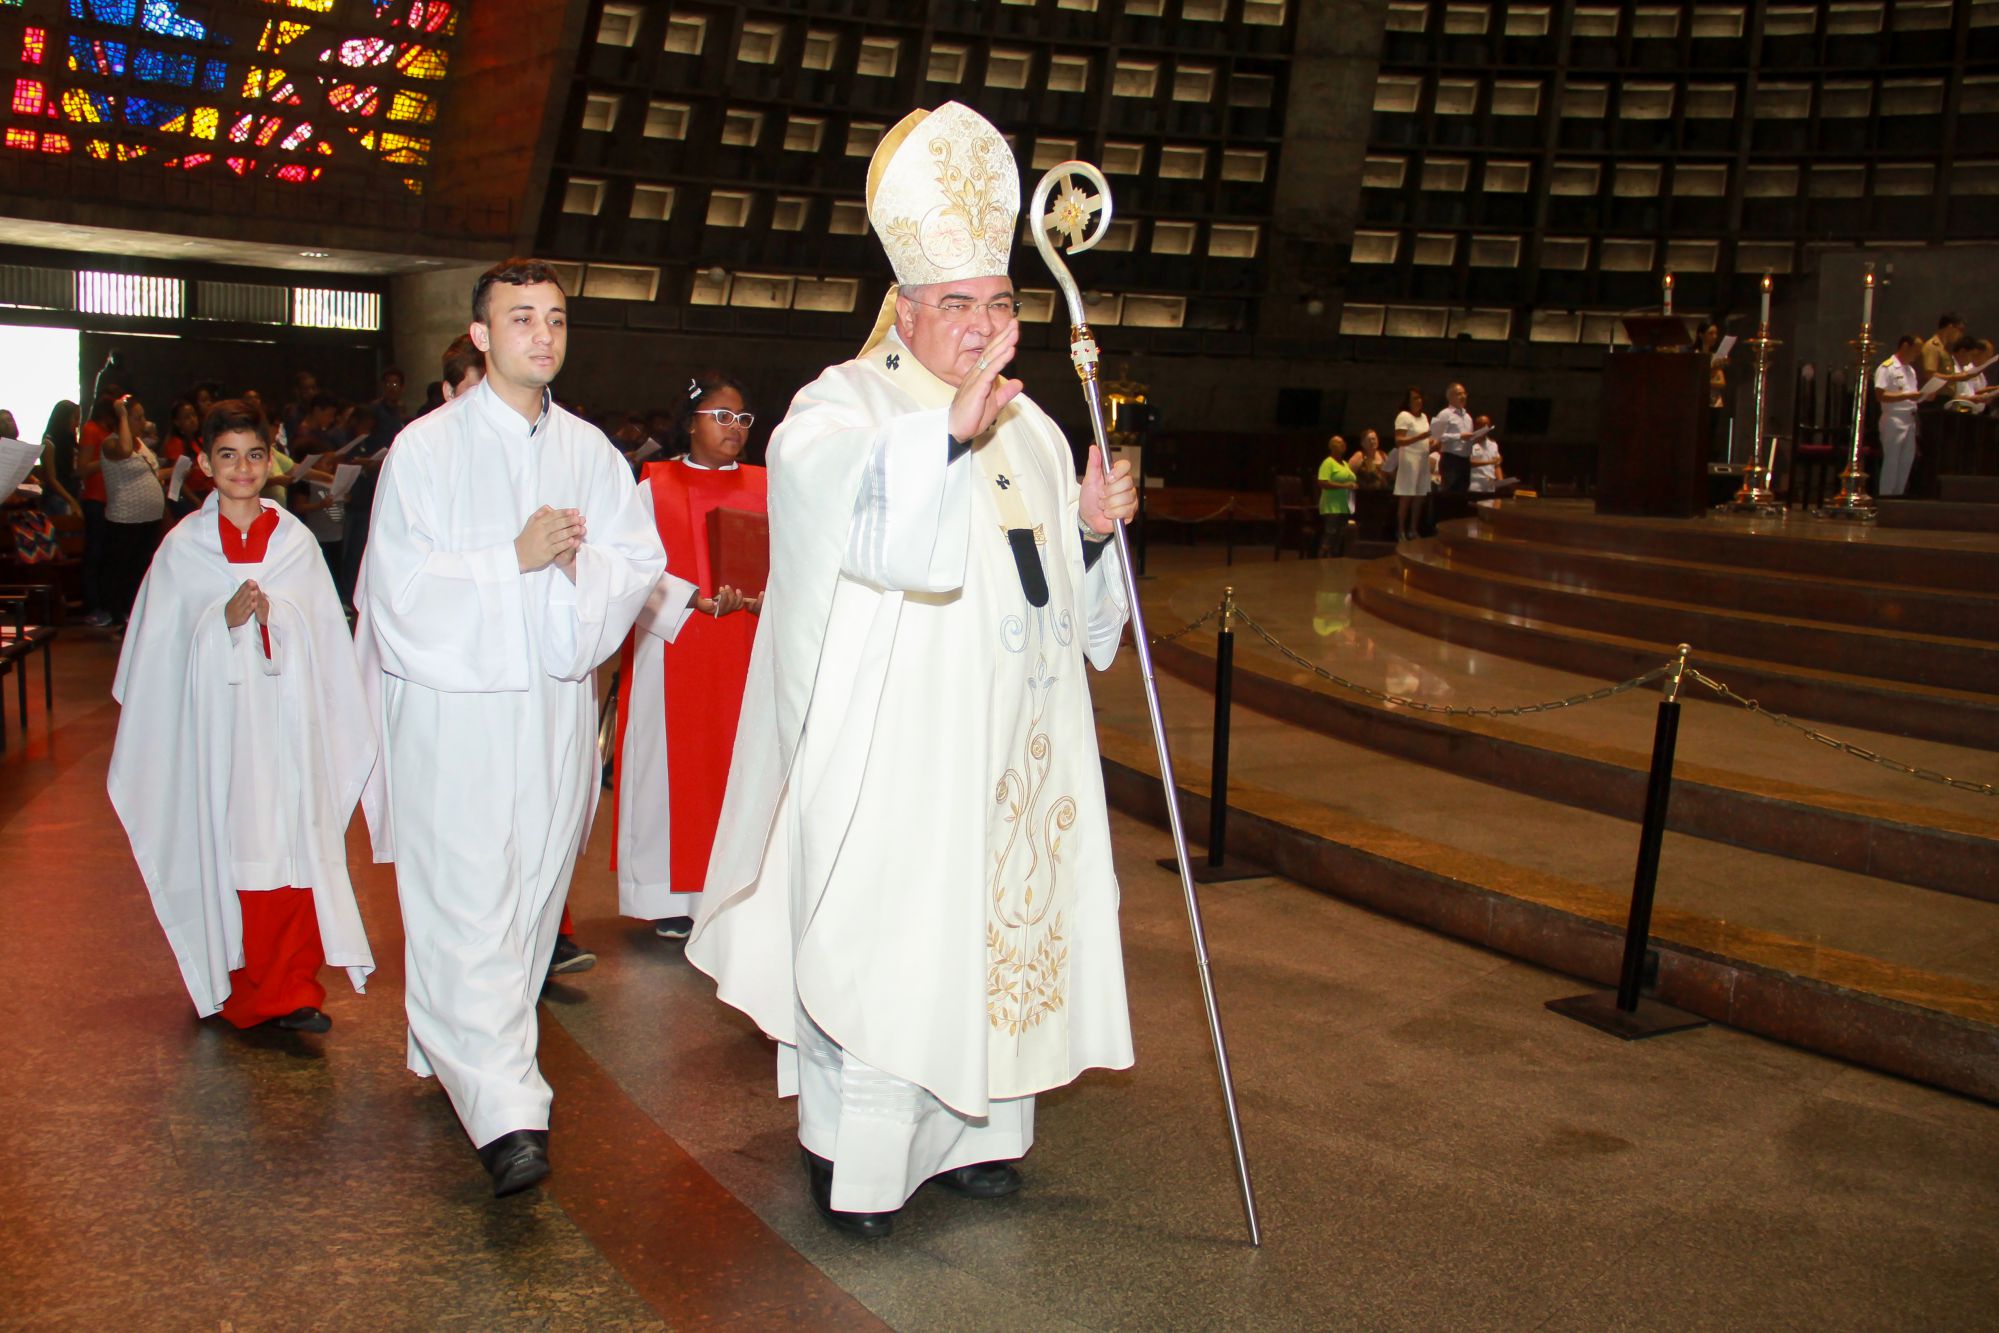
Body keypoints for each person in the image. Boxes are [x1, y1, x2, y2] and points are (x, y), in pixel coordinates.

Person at [685, 101, 1137, 1240]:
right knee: (899, 936)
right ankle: (867, 1156)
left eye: (998, 303)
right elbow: (839, 505)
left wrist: (1088, 529)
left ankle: (986, 1134)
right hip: (904, 755)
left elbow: (1069, 611)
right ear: (902, 306)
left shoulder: (1033, 428)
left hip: (1013, 750)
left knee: (993, 926)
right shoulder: (843, 407)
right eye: (956, 306)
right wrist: (942, 437)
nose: (981, 327)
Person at [354, 257, 665, 1197]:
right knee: (464, 900)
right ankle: (508, 1112)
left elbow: (634, 559)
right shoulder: (426, 449)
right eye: (520, 318)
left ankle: (465, 1054)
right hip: (456, 715)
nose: (542, 334)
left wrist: (576, 575)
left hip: (551, 706)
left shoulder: (590, 452)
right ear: (481, 336)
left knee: (528, 896)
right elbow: (397, 595)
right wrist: (512, 560)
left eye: (556, 319)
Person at [107, 400, 375, 1036]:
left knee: (293, 844)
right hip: (217, 734)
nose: (242, 468)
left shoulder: (296, 543)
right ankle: (240, 990)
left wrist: (277, 617)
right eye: (226, 455)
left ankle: (294, 988)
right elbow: (153, 659)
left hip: (288, 729)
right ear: (203, 463)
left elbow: (325, 638)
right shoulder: (182, 550)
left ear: (270, 460)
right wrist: (218, 623)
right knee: (228, 848)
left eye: (255, 455)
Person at [608, 372, 761, 943]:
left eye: (742, 419)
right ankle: (671, 899)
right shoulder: (653, 486)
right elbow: (630, 568)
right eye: (721, 417)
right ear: (690, 422)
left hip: (746, 643)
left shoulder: (768, 486)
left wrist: (770, 592)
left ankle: (738, 892)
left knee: (741, 764)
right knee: (670, 768)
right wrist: (688, 599)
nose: (734, 429)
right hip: (674, 644)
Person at [98, 396, 168, 629]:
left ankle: (137, 612)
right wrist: (121, 415)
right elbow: (125, 450)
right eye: (137, 417)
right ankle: (120, 614)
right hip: (125, 518)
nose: (144, 422)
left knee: (142, 566)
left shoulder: (141, 443)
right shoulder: (111, 444)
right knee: (123, 569)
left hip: (149, 518)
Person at [1874, 335, 1924, 497]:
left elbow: (1912, 394)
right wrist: (1907, 396)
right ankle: (1886, 497)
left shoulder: (1910, 370)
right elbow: (1880, 395)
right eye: (1915, 351)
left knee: (1906, 461)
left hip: (1909, 419)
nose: (1916, 356)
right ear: (1904, 346)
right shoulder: (1887, 368)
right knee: (1892, 461)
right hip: (1894, 418)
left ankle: (1899, 496)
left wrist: (1923, 395)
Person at [1392, 386, 1435, 541]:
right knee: (1407, 494)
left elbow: (1426, 439)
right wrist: (1420, 437)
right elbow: (1399, 440)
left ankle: (1413, 529)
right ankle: (1401, 529)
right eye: (1415, 398)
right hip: (1409, 457)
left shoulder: (1424, 417)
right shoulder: (1404, 416)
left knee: (1419, 495)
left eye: (1420, 397)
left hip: (1423, 457)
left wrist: (1433, 442)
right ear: (1408, 401)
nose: (1419, 401)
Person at [1315, 433, 1356, 557]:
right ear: (1331, 446)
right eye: (1338, 442)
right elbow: (1322, 482)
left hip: (1344, 505)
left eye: (1343, 442)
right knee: (1330, 533)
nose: (1342, 444)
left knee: (1340, 535)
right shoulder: (1328, 462)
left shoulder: (1345, 463)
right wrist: (1344, 486)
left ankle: (1334, 561)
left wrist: (1353, 485)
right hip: (1331, 505)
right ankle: (1320, 560)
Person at [1432, 382, 1474, 493]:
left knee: (1462, 494)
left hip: (1465, 460)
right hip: (1451, 460)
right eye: (1459, 394)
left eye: (1465, 393)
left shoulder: (1468, 417)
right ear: (1450, 397)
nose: (1463, 396)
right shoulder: (1444, 414)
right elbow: (1435, 436)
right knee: (1449, 493)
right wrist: (1459, 436)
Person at [1919, 314, 1963, 379]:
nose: (1960, 335)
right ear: (1950, 327)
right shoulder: (1933, 346)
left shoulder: (1943, 349)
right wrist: (1955, 377)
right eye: (1960, 330)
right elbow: (1930, 375)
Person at [1469, 414, 1504, 492]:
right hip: (1474, 485)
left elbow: (1497, 465)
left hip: (1489, 486)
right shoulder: (1469, 443)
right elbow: (1468, 463)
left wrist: (1501, 482)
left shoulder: (1493, 444)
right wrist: (1489, 462)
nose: (1485, 428)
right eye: (1481, 425)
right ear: (1476, 426)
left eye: (1487, 426)